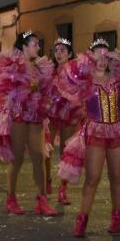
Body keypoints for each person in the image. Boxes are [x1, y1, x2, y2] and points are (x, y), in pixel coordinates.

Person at [58, 38, 120, 237]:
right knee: (92, 178)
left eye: (105, 54)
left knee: (116, 178)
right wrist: (86, 62)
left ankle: (117, 219)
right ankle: (82, 220)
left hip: (118, 130)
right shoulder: (84, 79)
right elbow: (66, 72)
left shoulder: (119, 78)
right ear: (90, 56)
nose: (102, 59)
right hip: (95, 131)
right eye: (97, 54)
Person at [0, 31, 58, 215]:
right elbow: (2, 90)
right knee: (16, 158)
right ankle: (11, 198)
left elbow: (47, 91)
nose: (38, 47)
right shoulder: (12, 66)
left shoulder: (41, 67)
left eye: (38, 43)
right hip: (18, 115)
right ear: (24, 46)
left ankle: (41, 200)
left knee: (39, 157)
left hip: (35, 115)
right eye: (34, 43)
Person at [45, 38, 84, 205]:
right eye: (56, 50)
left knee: (65, 152)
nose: (59, 53)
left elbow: (83, 90)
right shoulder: (50, 71)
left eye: (62, 50)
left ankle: (63, 188)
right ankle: (47, 181)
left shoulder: (75, 72)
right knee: (46, 148)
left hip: (70, 113)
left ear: (69, 54)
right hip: (51, 113)